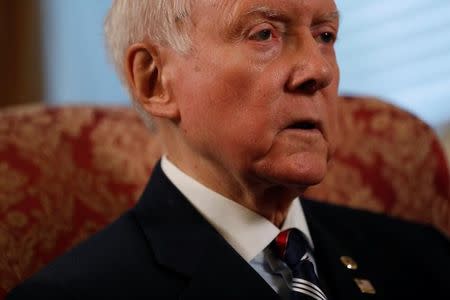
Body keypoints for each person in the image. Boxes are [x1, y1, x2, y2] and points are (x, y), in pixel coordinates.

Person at [6, 0, 449, 299]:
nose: (318, 70)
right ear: (154, 80)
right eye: (263, 34)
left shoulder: (425, 258)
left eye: (325, 36)